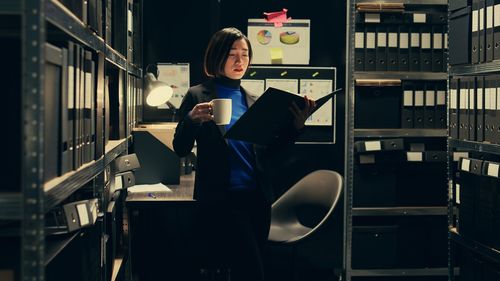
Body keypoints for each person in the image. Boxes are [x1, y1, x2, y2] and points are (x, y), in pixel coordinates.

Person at [173, 27, 315, 281]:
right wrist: (191, 119)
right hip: (222, 201)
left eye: (245, 54)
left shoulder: (254, 100)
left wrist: (296, 127)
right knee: (252, 272)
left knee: (247, 268)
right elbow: (180, 148)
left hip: (257, 200)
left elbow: (269, 154)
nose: (240, 61)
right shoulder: (198, 95)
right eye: (232, 54)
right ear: (217, 56)